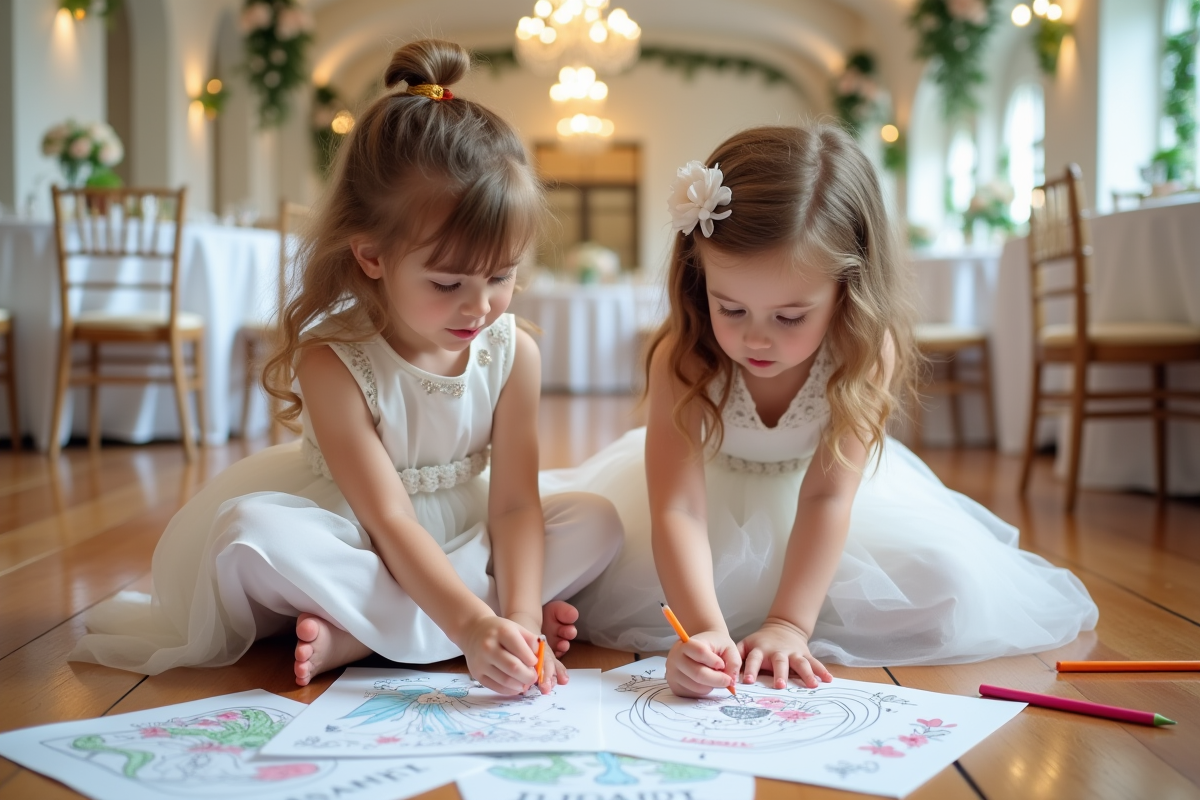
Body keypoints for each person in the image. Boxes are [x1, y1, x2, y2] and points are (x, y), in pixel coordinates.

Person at [69, 39, 622, 694]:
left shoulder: (513, 352)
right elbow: (387, 519)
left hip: (473, 531)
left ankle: (363, 636)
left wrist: (523, 617)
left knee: (597, 521)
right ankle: (436, 629)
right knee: (249, 536)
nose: (480, 305)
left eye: (501, 276)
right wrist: (475, 624)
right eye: (447, 283)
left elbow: (514, 509)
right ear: (371, 256)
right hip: (358, 530)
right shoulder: (333, 359)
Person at [541, 124, 1098, 697]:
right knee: (586, 568)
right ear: (697, 279)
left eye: (789, 317)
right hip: (701, 501)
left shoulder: (863, 350)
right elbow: (679, 508)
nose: (756, 339)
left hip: (826, 499)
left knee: (947, 582)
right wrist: (703, 630)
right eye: (730, 308)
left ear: (847, 291)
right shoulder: (683, 355)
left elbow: (828, 497)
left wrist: (788, 624)